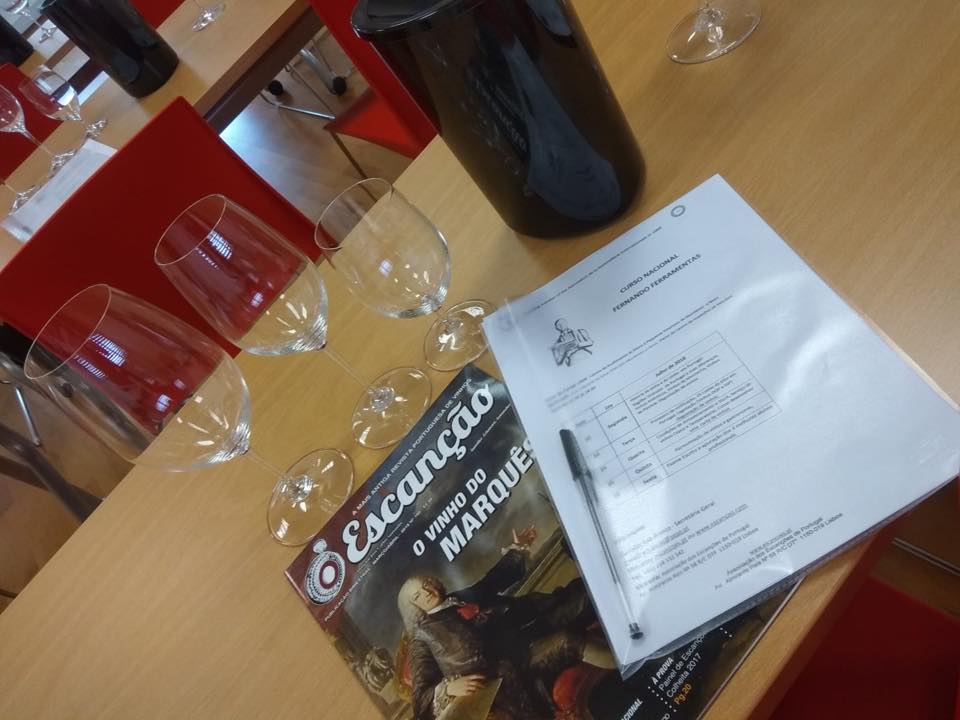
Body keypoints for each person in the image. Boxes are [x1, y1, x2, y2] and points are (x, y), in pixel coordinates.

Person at [397, 526, 615, 720]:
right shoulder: (422, 637)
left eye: (426, 584)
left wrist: (517, 550)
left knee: (586, 594)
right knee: (569, 637)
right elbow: (420, 699)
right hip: (514, 667)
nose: (426, 592)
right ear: (414, 606)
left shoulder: (456, 598)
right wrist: (449, 688)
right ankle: (626, 660)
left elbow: (492, 581)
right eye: (417, 596)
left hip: (532, 622)